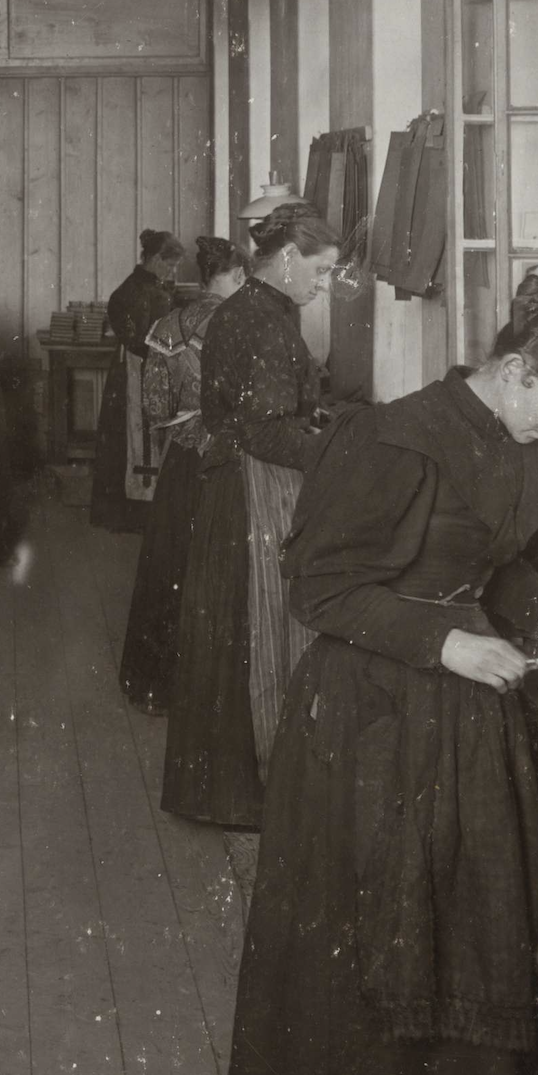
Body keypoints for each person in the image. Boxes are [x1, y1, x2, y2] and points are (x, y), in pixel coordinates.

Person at [212, 274, 538, 1075]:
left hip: (459, 716)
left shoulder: (527, 452)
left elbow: (496, 570)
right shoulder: (392, 438)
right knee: (389, 933)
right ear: (515, 367)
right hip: (370, 711)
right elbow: (319, 586)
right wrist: (443, 644)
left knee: (467, 926)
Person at [159, 205, 339, 828]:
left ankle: (217, 793)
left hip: (227, 489)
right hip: (251, 492)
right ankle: (251, 796)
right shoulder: (264, 321)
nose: (324, 283)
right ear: (288, 259)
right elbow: (266, 432)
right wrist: (343, 447)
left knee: (229, 640)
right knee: (258, 638)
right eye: (321, 270)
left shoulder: (250, 311)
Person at [115, 235, 249, 714]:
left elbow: (155, 406)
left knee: (170, 565)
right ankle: (212, 694)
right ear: (237, 276)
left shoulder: (168, 323)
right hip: (231, 463)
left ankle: (155, 687)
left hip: (183, 463)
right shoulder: (245, 321)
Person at [91, 230, 186, 533]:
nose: (172, 273)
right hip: (133, 375)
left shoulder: (156, 288)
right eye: (170, 266)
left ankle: (149, 512)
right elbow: (135, 339)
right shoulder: (127, 294)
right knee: (129, 444)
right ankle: (131, 516)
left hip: (153, 371)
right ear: (156, 259)